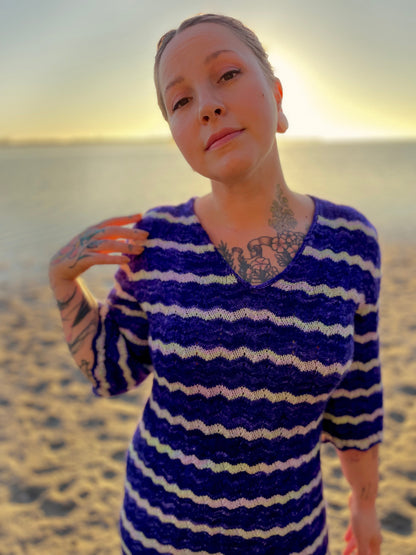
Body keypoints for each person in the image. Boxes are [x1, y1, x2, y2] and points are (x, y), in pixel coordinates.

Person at [49, 13, 383, 555]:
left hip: (292, 538)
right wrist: (63, 281)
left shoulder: (350, 243)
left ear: (276, 95)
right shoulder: (155, 239)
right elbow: (111, 371)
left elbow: (356, 401)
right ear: (176, 134)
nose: (206, 104)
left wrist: (365, 506)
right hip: (157, 535)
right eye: (180, 101)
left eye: (226, 75)